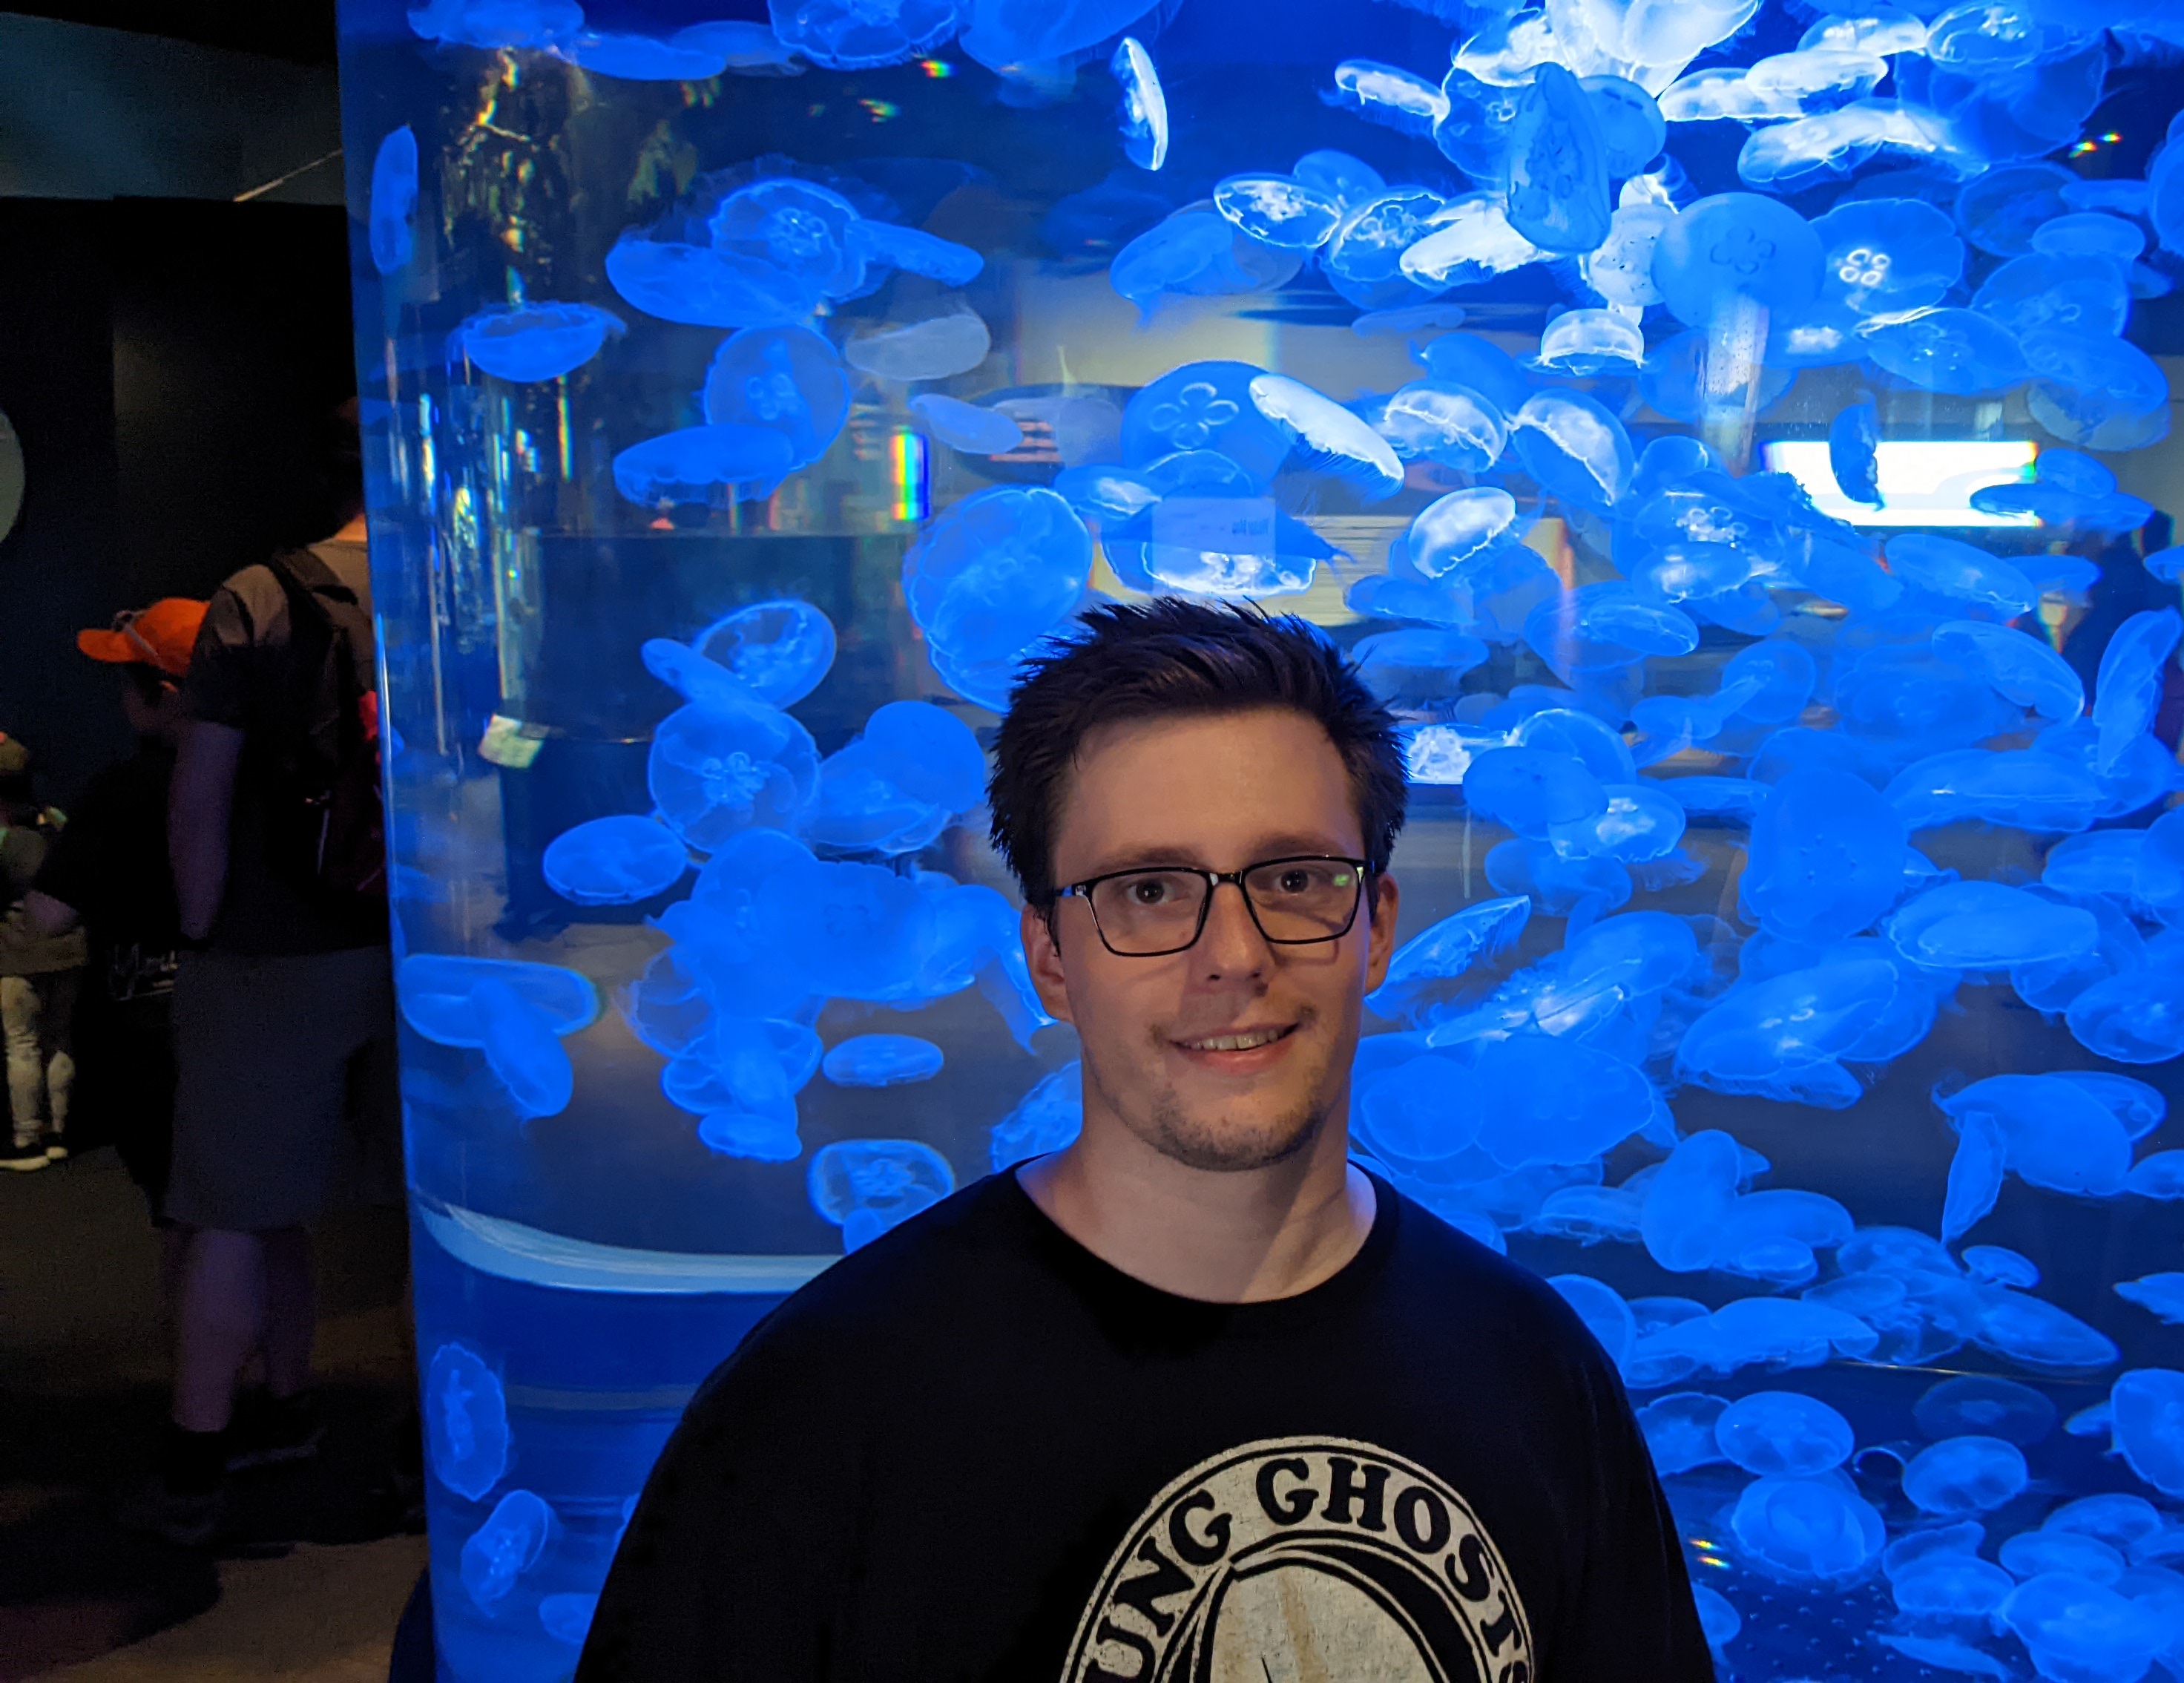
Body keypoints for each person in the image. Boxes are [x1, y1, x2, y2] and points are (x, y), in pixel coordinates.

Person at [580, 603, 1714, 1682]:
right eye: (1151, 890)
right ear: (1051, 960)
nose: (1233, 952)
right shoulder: (823, 1407)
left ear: (1375, 931)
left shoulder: (1533, 1367)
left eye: (1295, 878)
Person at [121, 437, 394, 1546]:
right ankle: (430, 1449)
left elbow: (203, 785)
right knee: (440, 1209)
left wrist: (199, 929)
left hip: (278, 945)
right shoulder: (461, 586)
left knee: (232, 1205)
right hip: (444, 950)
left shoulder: (261, 596)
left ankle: (196, 1465)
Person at [22, 599, 208, 1224]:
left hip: (149, 1030)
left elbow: (46, 915)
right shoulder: (266, 774)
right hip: (254, 1019)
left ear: (159, 692)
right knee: (261, 1213)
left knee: (183, 1217)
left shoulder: (122, 791)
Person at [1, 765, 89, 1170]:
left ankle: (27, 1139)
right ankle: (58, 1133)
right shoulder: (58, 825)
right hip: (70, 948)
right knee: (59, 1039)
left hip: (18, 951)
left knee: (22, 1044)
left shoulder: (6, 840)